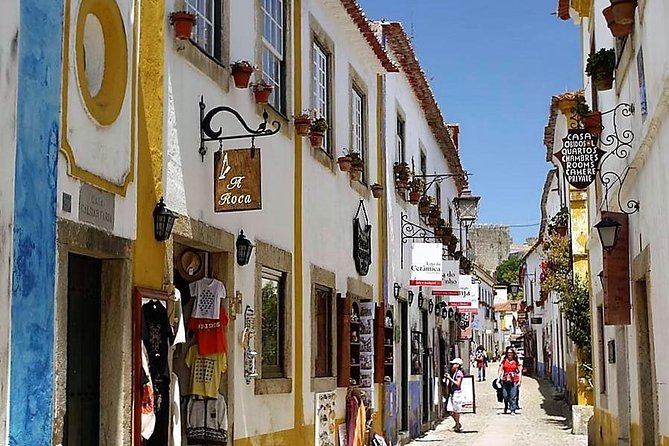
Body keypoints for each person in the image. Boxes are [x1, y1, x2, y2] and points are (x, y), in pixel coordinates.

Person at [498, 346, 522, 415]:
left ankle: (512, 409)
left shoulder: (516, 361)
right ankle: (506, 405)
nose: (509, 354)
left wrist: (519, 380)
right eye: (508, 352)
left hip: (514, 379)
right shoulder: (504, 361)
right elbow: (501, 370)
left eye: (511, 353)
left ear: (513, 353)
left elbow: (519, 371)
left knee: (513, 395)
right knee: (505, 395)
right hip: (505, 379)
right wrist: (498, 378)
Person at [445, 358, 465, 432]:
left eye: (453, 364)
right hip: (453, 393)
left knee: (456, 410)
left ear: (457, 365)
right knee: (449, 409)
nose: (452, 365)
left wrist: (449, 378)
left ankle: (457, 425)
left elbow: (458, 384)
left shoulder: (459, 373)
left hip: (457, 393)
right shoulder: (454, 373)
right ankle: (457, 423)